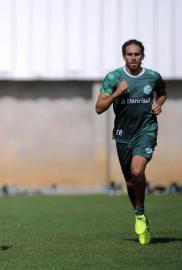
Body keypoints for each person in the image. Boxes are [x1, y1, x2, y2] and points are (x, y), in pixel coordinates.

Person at [95, 39, 167, 245]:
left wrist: (158, 104)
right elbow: (99, 108)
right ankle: (139, 215)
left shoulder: (153, 77)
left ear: (142, 56)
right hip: (123, 134)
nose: (133, 57)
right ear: (124, 56)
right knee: (129, 181)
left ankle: (141, 211)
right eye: (129, 54)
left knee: (137, 172)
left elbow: (162, 93)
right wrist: (117, 92)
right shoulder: (114, 77)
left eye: (137, 54)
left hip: (146, 129)